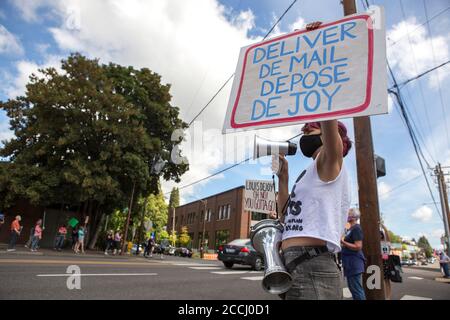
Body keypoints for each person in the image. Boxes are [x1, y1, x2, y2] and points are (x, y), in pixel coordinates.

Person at [273, 117, 352, 300]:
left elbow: (328, 113)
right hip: (296, 261)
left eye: (309, 130)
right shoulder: (310, 172)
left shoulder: (330, 161)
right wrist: (283, 179)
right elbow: (285, 217)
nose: (303, 133)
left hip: (311, 262)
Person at [341, 209, 366, 300]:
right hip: (349, 263)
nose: (347, 215)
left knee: (356, 289)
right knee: (353, 288)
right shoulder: (349, 229)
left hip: (354, 262)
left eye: (349, 214)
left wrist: (343, 242)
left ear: (354, 217)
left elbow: (358, 246)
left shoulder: (356, 228)